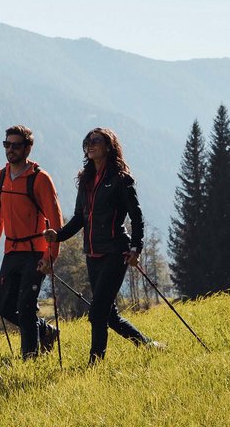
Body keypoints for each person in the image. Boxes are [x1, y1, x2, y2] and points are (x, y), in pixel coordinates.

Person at [43, 127, 158, 364]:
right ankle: (148, 345)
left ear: (109, 146)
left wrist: (136, 249)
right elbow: (79, 218)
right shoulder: (85, 180)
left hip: (116, 251)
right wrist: (59, 236)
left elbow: (136, 216)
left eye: (96, 140)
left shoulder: (121, 179)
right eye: (87, 141)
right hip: (92, 253)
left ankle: (95, 364)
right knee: (109, 315)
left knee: (97, 313)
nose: (90, 144)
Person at [0, 125, 64, 359]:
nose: (10, 150)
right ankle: (45, 331)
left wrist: (51, 257)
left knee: (26, 306)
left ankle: (30, 358)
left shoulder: (40, 179)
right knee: (3, 306)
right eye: (7, 144)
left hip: (36, 251)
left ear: (28, 148)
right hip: (11, 250)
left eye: (16, 145)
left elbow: (55, 221)